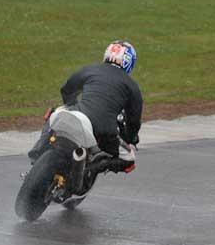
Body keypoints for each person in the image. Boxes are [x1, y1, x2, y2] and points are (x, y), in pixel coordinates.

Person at [27, 40, 143, 171]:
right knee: (129, 159)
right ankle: (90, 170)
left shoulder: (91, 69)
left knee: (56, 112)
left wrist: (73, 106)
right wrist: (131, 138)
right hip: (104, 131)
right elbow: (134, 121)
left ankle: (37, 153)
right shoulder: (132, 86)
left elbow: (67, 90)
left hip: (79, 115)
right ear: (130, 63)